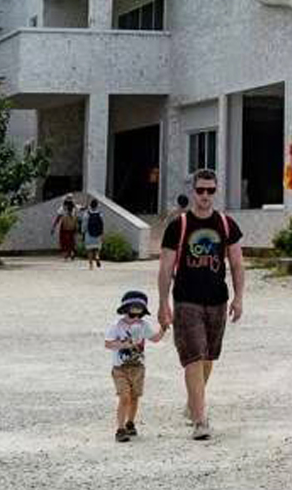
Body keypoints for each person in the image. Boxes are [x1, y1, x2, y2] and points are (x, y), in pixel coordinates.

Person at [156, 168, 245, 441]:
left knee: (208, 357)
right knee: (193, 358)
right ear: (193, 191)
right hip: (186, 301)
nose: (205, 195)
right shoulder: (178, 226)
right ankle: (200, 419)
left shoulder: (226, 224)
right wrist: (163, 304)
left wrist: (239, 297)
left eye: (211, 190)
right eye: (200, 190)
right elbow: (165, 267)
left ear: (216, 192)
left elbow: (237, 264)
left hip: (217, 300)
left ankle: (193, 402)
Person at [104, 288, 165, 442]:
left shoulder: (143, 325)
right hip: (120, 368)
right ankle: (120, 428)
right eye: (133, 313)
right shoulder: (116, 326)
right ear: (126, 310)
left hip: (138, 367)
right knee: (124, 397)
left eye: (139, 313)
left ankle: (130, 422)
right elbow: (108, 343)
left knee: (135, 397)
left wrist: (163, 327)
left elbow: (155, 338)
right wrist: (125, 344)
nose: (136, 317)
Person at [83, 199, 106, 270]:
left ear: (90, 205)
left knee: (89, 249)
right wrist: (102, 233)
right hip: (98, 233)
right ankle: (97, 256)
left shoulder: (87, 213)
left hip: (89, 233)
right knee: (97, 248)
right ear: (97, 205)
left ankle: (91, 265)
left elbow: (84, 224)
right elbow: (102, 224)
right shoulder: (100, 213)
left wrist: (83, 232)